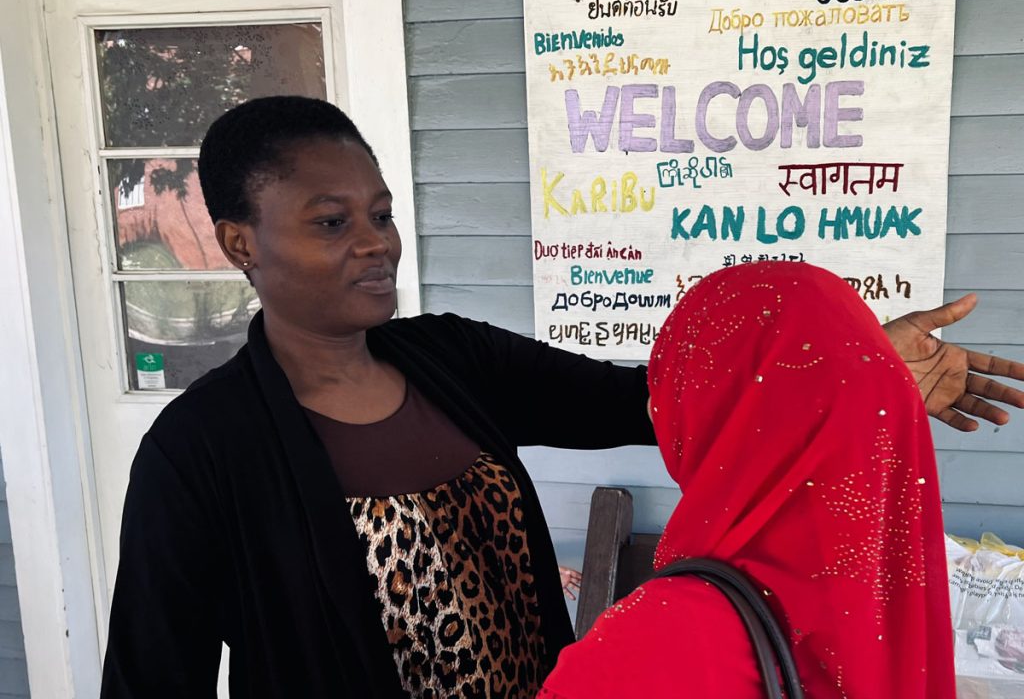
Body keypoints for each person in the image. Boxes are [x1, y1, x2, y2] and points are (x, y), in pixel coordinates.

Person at [99, 96, 1019, 699]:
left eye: (381, 214)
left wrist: (850, 379)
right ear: (238, 242)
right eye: (331, 222)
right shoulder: (202, 449)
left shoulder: (451, 361)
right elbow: (153, 675)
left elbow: (661, 404)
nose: (376, 242)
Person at [538, 262, 957, 699]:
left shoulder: (657, 642)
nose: (655, 408)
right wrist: (849, 373)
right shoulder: (894, 609)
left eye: (674, 381)